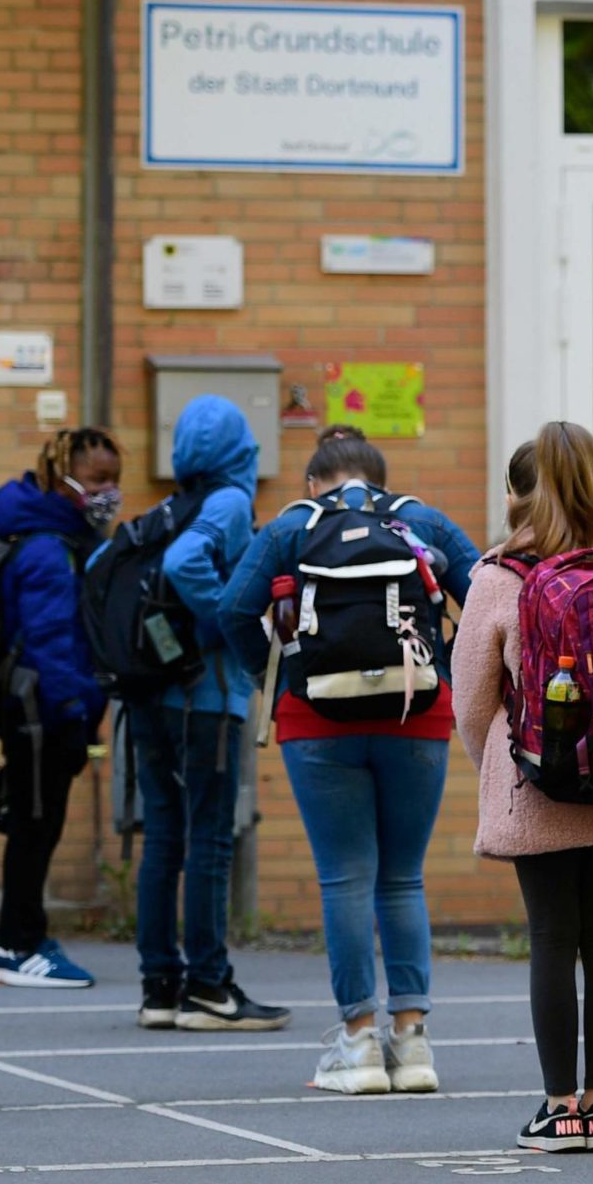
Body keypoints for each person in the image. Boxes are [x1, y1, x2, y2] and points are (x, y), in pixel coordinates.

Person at [222, 426, 481, 1094]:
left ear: (315, 484)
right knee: (402, 879)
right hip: (415, 713)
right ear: (380, 478)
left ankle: (359, 1044)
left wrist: (274, 680)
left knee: (344, 880)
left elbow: (230, 610)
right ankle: (414, 1043)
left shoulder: (291, 528)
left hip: (316, 719)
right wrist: (444, 672)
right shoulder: (416, 518)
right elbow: (482, 596)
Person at [451, 424, 593, 1153]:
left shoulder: (498, 578)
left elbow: (473, 706)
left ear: (516, 497)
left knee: (551, 934)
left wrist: (509, 766)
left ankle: (557, 1107)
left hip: (540, 782)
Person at [123, 396, 289, 1033]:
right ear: (237, 454)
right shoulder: (225, 503)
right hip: (205, 700)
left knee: (164, 839)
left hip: (152, 696)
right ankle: (211, 987)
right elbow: (182, 565)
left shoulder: (170, 505)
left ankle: (159, 986)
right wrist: (228, 615)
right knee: (211, 842)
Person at [0, 427, 120, 988]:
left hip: (44, 709)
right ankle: (17, 947)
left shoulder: (60, 538)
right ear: (61, 480)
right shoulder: (46, 548)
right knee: (35, 830)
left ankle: (24, 939)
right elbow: (51, 641)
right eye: (97, 480)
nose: (109, 491)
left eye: (114, 479)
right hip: (42, 711)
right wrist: (77, 710)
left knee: (37, 824)